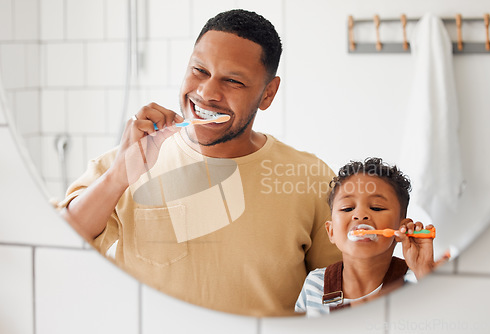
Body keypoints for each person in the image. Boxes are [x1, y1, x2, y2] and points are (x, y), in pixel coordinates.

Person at [60, 9, 341, 317]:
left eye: (232, 80)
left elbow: (340, 290)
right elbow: (60, 244)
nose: (207, 93)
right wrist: (117, 178)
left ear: (268, 94)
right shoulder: (128, 161)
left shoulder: (310, 177)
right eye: (199, 71)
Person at [295, 158, 436, 317]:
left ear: (401, 228)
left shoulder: (417, 281)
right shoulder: (314, 285)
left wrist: (425, 271)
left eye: (377, 207)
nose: (360, 215)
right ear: (331, 231)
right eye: (347, 208)